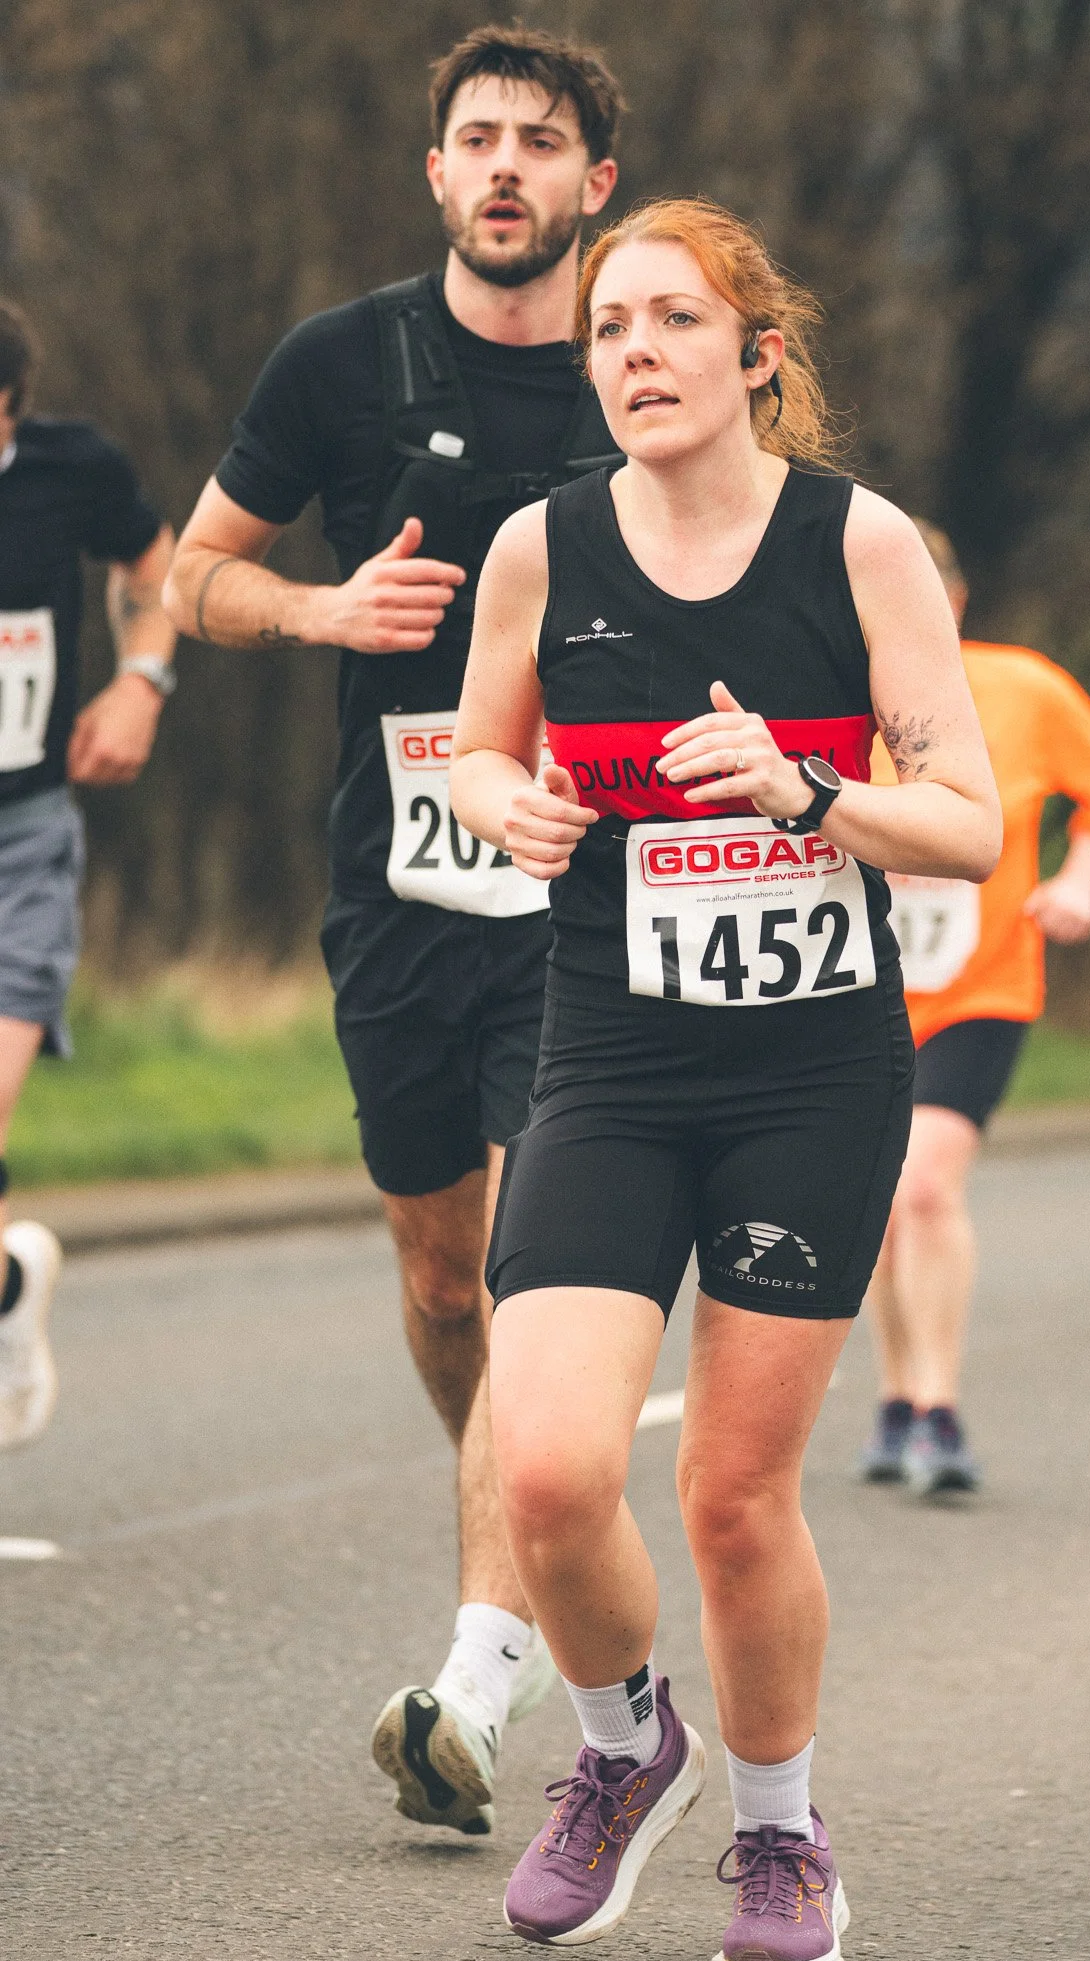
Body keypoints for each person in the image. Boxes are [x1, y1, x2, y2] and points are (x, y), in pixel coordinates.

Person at [449, 199, 1001, 1961]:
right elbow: (473, 755)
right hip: (611, 1056)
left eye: (676, 319)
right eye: (611, 325)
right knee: (547, 1470)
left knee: (733, 1495)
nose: (637, 351)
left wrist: (805, 791)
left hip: (810, 1070)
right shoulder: (541, 545)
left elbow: (972, 825)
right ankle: (627, 1751)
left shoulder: (861, 544)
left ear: (757, 354)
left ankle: (781, 1836)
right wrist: (510, 805)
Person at [164, 27, 624, 1833]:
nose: (506, 165)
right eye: (477, 138)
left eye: (542, 140)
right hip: (402, 883)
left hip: (587, 889)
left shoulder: (639, 360)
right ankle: (529, 1525)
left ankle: (477, 1680)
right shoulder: (341, 362)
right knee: (445, 1284)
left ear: (594, 180)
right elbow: (194, 575)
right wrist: (320, 611)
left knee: (522, 1272)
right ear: (435, 172)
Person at [861, 523, 1090, 1493]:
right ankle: (896, 1396)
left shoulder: (1020, 687)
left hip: (983, 986)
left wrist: (1083, 876)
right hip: (860, 992)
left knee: (925, 1186)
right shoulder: (828, 694)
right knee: (879, 1208)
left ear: (954, 600)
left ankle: (937, 1410)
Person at [0, 299, 177, 1451]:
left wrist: (139, 680)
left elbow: (155, 566)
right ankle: (11, 1289)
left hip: (20, 842)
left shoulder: (73, 470)